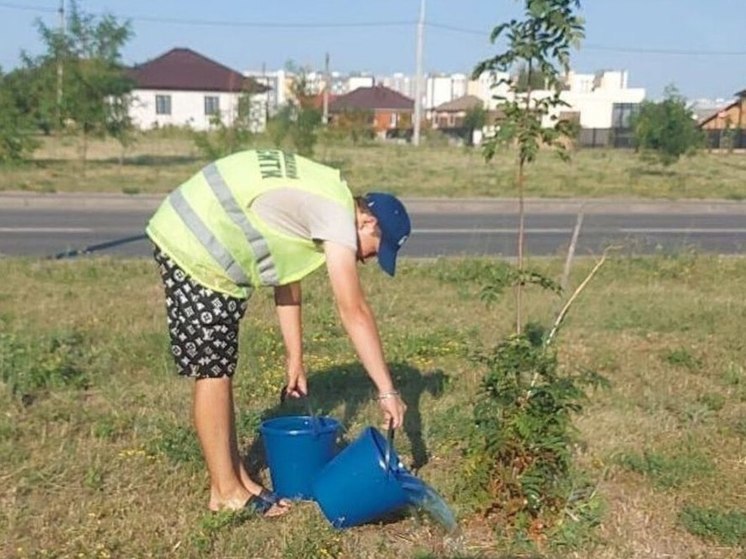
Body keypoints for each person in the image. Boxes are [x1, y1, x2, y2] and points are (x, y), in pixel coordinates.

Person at [146, 148, 410, 517]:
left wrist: (295, 358)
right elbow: (354, 310)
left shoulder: (324, 196)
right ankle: (224, 493)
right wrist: (387, 390)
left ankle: (236, 478)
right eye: (371, 253)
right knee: (213, 371)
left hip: (203, 236)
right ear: (367, 223)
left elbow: (287, 283)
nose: (363, 261)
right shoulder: (335, 215)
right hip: (195, 241)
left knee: (220, 366)